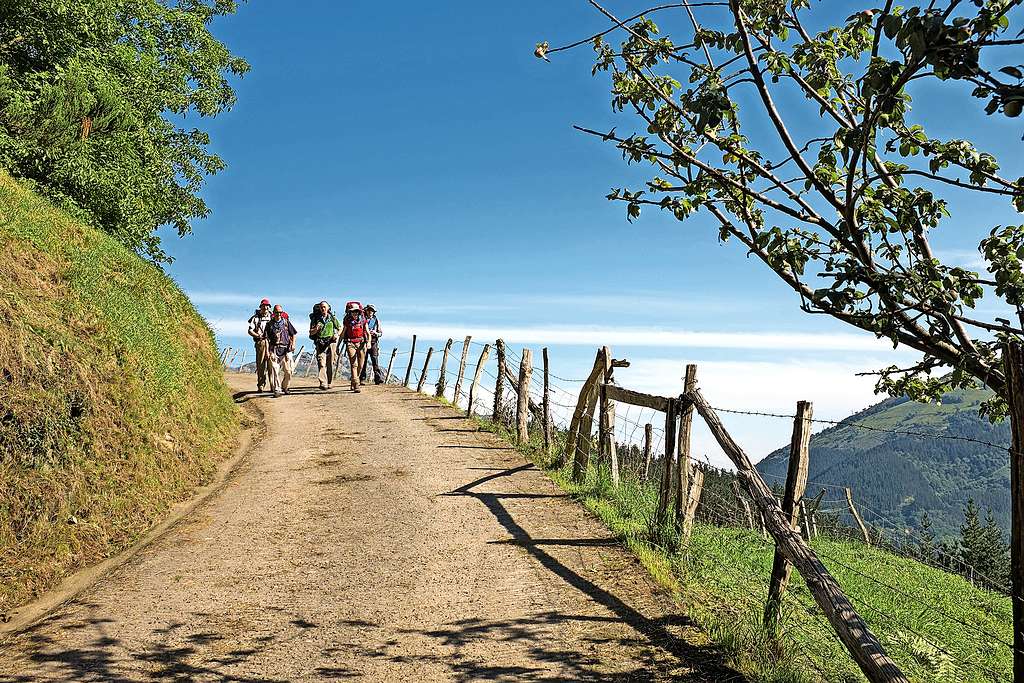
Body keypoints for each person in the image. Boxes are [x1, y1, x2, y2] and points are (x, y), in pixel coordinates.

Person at [264, 305, 297, 397]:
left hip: (286, 350)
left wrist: (293, 344)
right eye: (277, 312)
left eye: (280, 312)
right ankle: (277, 389)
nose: (279, 314)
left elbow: (293, 334)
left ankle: (285, 387)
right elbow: (266, 339)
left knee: (289, 371)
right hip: (274, 349)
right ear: (273, 313)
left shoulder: (286, 322)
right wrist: (267, 351)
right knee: (275, 369)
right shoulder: (269, 325)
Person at [309, 301, 341, 390]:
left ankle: (329, 382)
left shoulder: (332, 318)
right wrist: (316, 329)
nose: (323, 308)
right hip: (320, 343)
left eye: (324, 307)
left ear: (328, 308)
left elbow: (340, 328)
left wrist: (336, 334)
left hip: (331, 342)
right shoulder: (316, 319)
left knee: (330, 363)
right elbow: (311, 332)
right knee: (321, 362)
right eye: (321, 307)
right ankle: (323, 382)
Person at [340, 301, 369, 392]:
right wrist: (338, 345)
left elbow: (367, 332)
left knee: (361, 365)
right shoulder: (347, 320)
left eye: (356, 311)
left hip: (361, 343)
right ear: (350, 312)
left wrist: (368, 343)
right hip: (350, 343)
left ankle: (354, 380)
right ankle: (356, 384)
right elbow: (342, 333)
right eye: (353, 311)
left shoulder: (363, 320)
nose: (355, 313)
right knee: (354, 364)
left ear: (359, 312)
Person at [247, 298, 272, 392]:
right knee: (261, 364)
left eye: (267, 306)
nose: (265, 307)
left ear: (269, 307)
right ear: (260, 307)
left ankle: (273, 385)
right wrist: (258, 335)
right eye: (263, 306)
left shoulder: (272, 317)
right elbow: (250, 330)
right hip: (260, 342)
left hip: (271, 343)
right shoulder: (256, 318)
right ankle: (261, 385)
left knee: (271, 364)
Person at [361, 304, 385, 384]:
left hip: (374, 341)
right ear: (366, 310)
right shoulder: (362, 319)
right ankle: (362, 379)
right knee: (363, 360)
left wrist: (375, 333)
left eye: (372, 310)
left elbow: (380, 333)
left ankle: (377, 378)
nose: (370, 312)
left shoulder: (376, 320)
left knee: (375, 359)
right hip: (364, 341)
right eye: (369, 310)